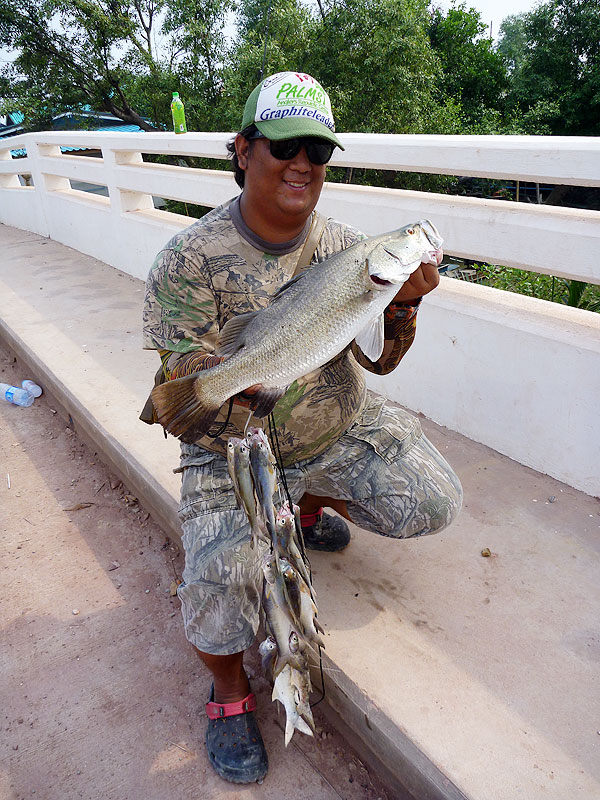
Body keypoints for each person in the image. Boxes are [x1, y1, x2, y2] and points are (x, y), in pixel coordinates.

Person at [142, 71, 462, 784]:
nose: (303, 163)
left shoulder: (348, 248)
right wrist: (237, 382)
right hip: (231, 447)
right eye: (284, 144)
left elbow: (379, 366)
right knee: (223, 602)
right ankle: (229, 694)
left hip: (335, 425)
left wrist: (403, 308)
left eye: (317, 150)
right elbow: (179, 379)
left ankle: (305, 505)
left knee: (436, 500)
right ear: (243, 149)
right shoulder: (189, 259)